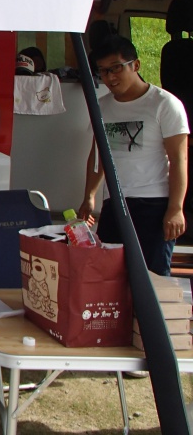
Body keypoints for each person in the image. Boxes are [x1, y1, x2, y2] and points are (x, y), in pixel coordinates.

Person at [78, 35, 189, 276]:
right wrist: (90, 196)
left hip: (153, 203)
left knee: (152, 279)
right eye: (104, 72)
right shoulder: (102, 106)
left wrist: (176, 208)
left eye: (116, 68)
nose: (110, 77)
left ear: (135, 65)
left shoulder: (164, 104)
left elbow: (179, 160)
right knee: (107, 276)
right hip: (115, 204)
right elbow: (98, 157)